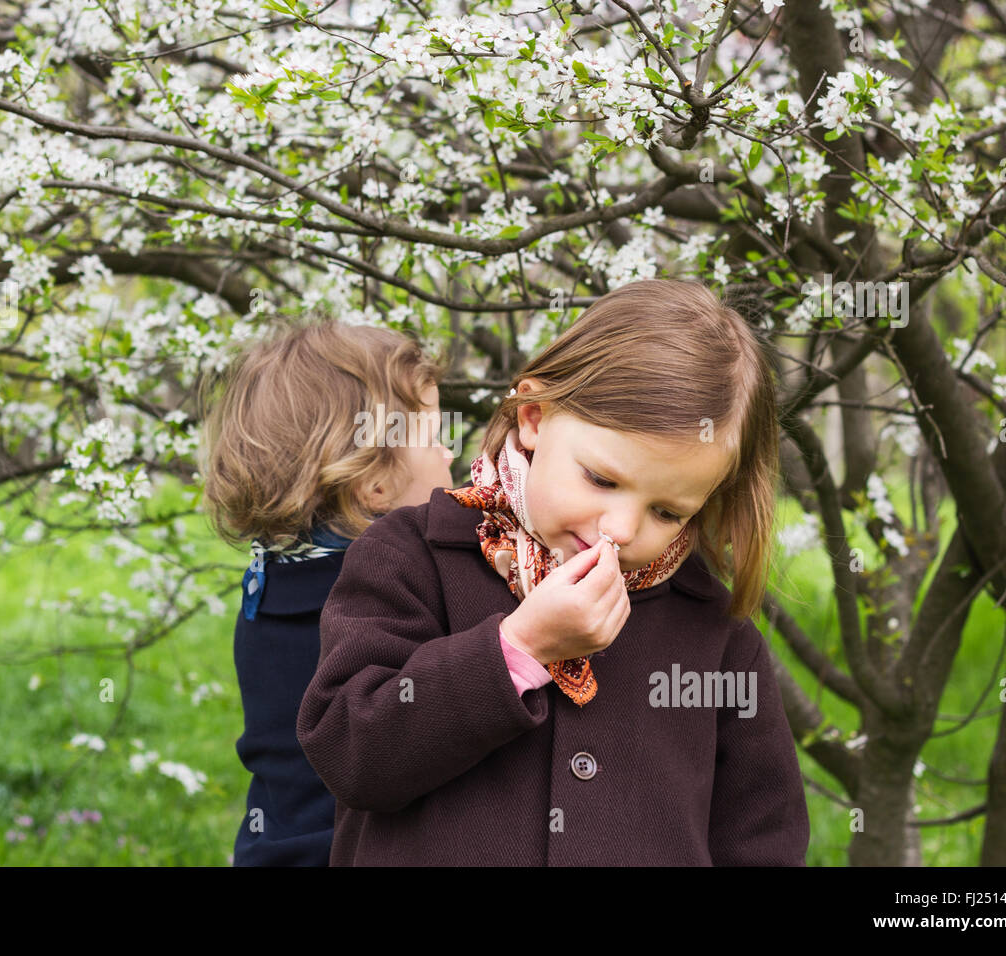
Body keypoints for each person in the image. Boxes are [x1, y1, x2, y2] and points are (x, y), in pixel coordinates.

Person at [297, 279, 811, 865]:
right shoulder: (412, 557)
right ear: (536, 416)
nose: (619, 528)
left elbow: (763, 839)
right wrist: (518, 647)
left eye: (667, 512)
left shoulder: (713, 633)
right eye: (601, 479)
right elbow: (350, 752)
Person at [198, 316, 455, 866]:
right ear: (376, 486)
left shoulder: (274, 580)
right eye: (435, 439)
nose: (451, 455)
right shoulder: (385, 592)